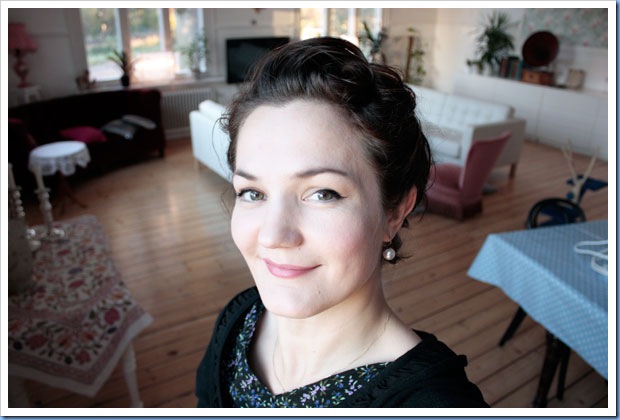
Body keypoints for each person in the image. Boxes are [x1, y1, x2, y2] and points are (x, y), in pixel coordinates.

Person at [196, 36, 488, 408]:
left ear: (395, 211)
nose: (273, 235)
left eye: (323, 193)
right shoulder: (237, 320)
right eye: (253, 193)